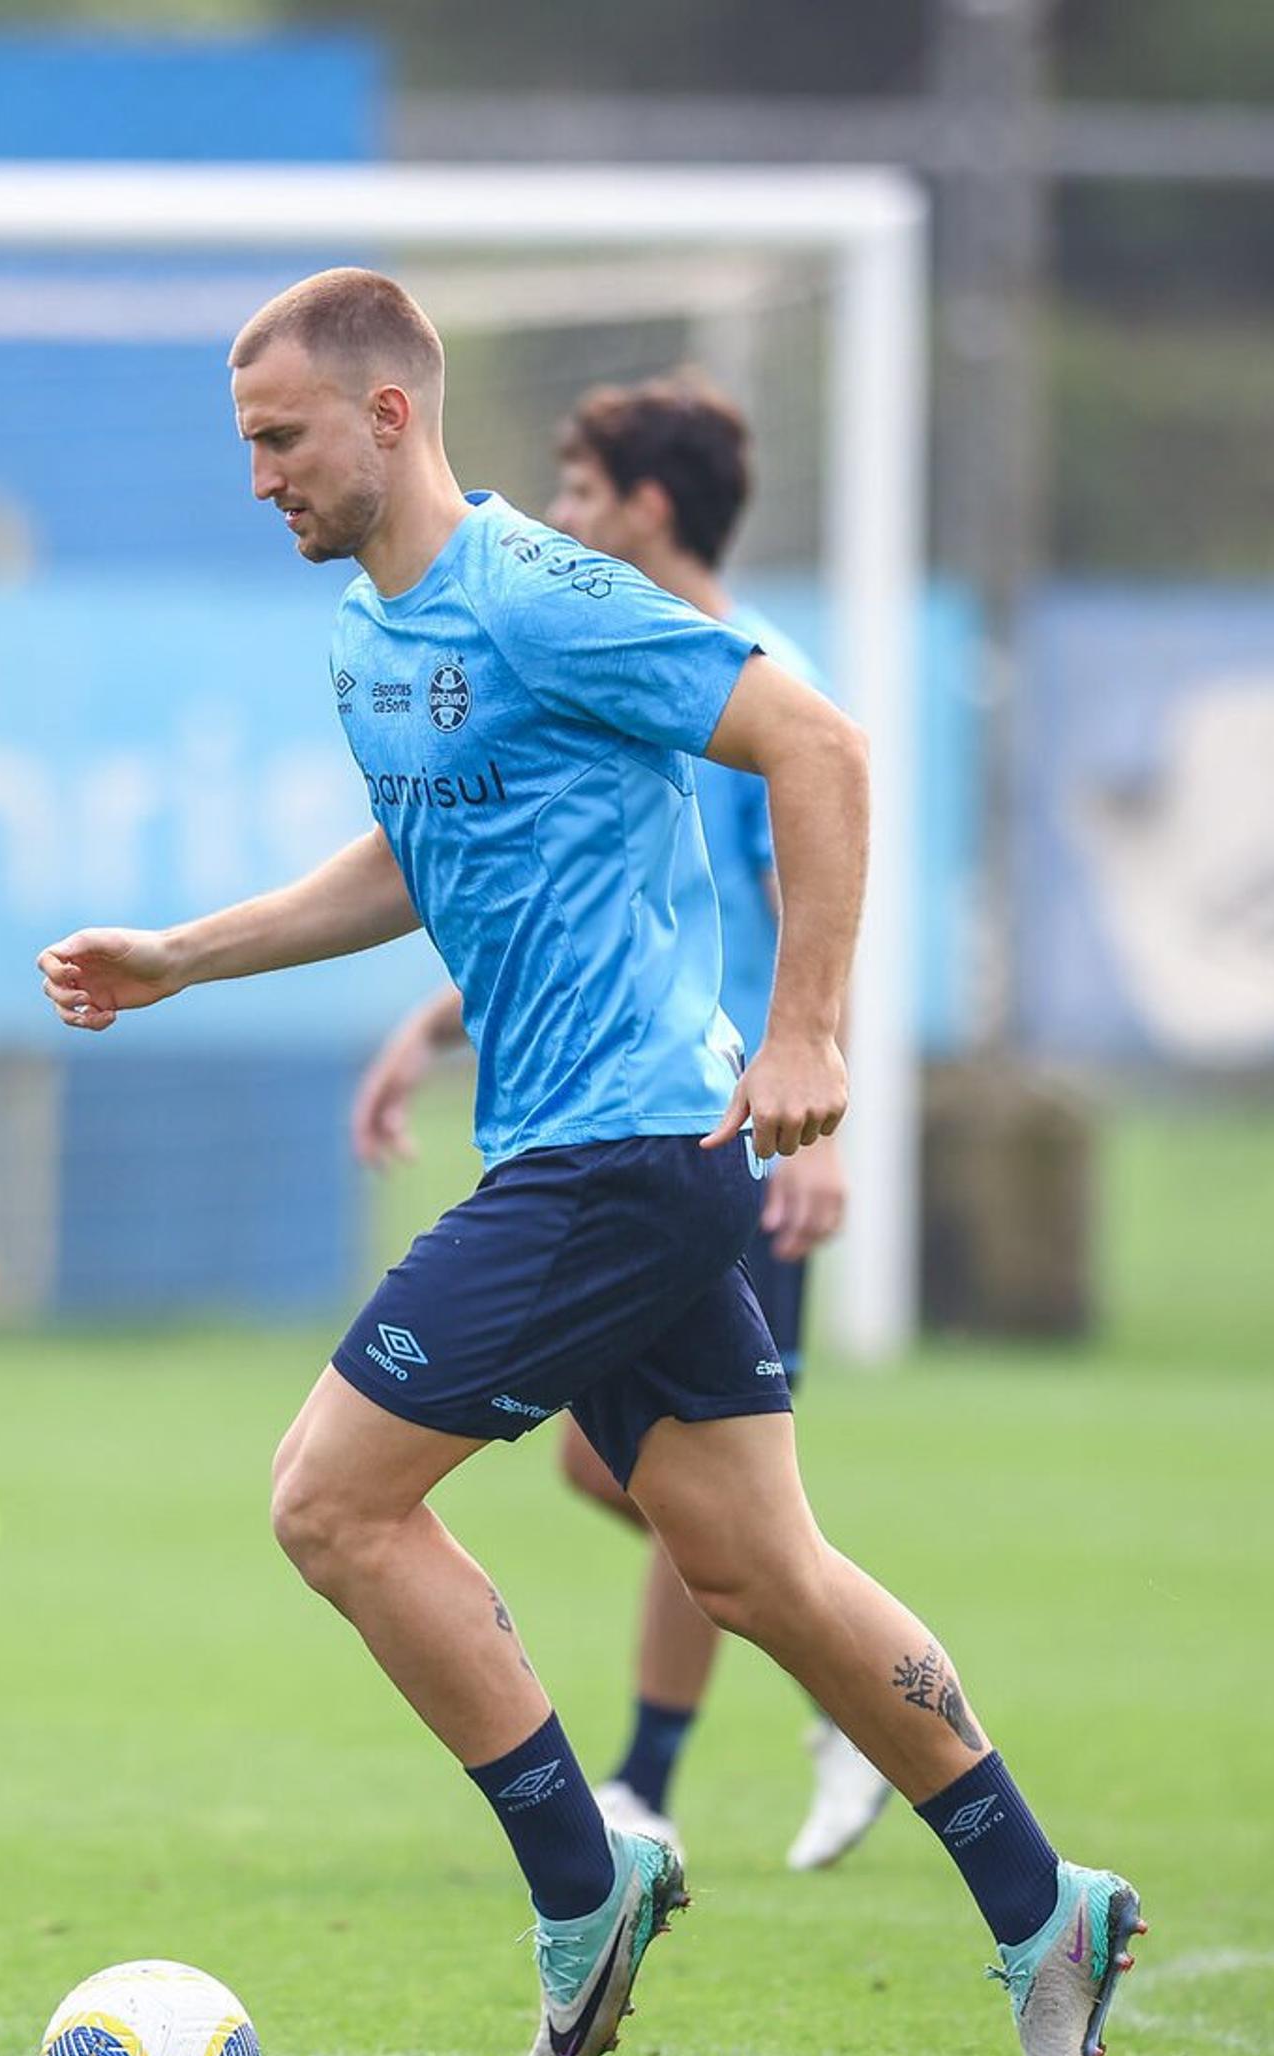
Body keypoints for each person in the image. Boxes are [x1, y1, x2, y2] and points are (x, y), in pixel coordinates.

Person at [40, 270, 1141, 2056]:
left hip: (624, 1155)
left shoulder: (546, 594)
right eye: (247, 447)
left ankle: (580, 1873)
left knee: (328, 1497)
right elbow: (413, 850)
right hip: (594, 1156)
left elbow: (825, 748)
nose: (260, 480)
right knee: (757, 1574)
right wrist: (184, 956)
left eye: (281, 440)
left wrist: (806, 1029)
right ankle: (1048, 1910)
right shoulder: (367, 639)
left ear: (389, 418)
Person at [348, 372, 893, 1875]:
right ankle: (833, 1671)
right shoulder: (582, 657)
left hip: (709, 1127)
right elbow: (564, 880)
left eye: (584, 494)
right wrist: (431, 1020)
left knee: (714, 1523)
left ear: (647, 508)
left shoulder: (731, 671)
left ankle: (680, 1766)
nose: (560, 517)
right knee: (640, 1485)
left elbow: (778, 884)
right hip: (630, 1112)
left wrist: (819, 1107)